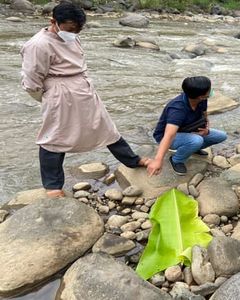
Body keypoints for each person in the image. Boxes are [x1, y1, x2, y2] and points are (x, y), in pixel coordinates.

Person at [20, 2, 149, 198]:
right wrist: (48, 97)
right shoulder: (38, 44)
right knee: (54, 137)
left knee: (107, 128)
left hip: (83, 88)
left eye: (79, 29)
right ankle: (53, 186)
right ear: (53, 22)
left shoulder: (72, 37)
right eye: (71, 29)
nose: (75, 32)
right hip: (60, 92)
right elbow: (31, 80)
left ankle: (132, 160)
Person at [148, 76, 227, 176]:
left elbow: (204, 114)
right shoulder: (177, 109)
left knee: (222, 136)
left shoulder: (201, 100)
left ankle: (193, 148)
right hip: (166, 136)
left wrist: (206, 128)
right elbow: (169, 135)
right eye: (209, 89)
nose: (211, 90)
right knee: (196, 140)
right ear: (200, 96)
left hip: (189, 129)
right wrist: (158, 160)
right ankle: (176, 160)